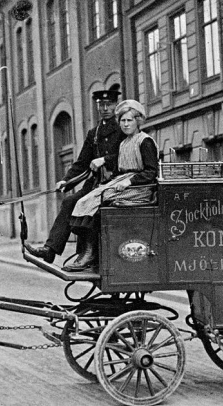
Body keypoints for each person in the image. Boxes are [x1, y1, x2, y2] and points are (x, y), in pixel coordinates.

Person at [25, 88, 126, 263]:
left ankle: (89, 252)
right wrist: (65, 180)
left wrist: (105, 160)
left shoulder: (124, 129)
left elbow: (128, 155)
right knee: (69, 201)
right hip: (96, 183)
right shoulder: (93, 133)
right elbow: (81, 162)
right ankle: (50, 249)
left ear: (116, 105)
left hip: (118, 183)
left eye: (109, 104)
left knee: (86, 205)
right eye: (101, 105)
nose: (105, 108)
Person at [62, 99, 158, 272]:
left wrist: (129, 181)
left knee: (100, 203)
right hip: (122, 183)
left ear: (138, 121)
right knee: (87, 199)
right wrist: (107, 183)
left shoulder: (145, 141)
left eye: (130, 120)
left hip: (140, 188)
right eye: (123, 121)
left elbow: (151, 171)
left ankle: (91, 254)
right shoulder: (123, 143)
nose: (126, 124)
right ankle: (87, 252)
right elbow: (117, 170)